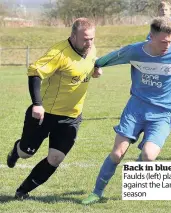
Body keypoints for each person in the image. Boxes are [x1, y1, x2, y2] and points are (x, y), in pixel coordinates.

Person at [82, 16, 171, 205]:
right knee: (117, 153)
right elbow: (108, 59)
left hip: (163, 114)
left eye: (170, 41)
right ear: (151, 37)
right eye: (163, 41)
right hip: (135, 109)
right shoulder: (135, 51)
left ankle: (132, 183)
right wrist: (96, 66)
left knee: (148, 156)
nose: (167, 45)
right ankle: (96, 193)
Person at [7, 17, 102, 199]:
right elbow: (35, 72)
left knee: (56, 158)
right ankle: (16, 150)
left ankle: (22, 191)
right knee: (26, 153)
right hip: (46, 113)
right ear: (73, 36)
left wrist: (95, 71)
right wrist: (37, 104)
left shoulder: (90, 49)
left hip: (71, 117)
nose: (89, 43)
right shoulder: (59, 52)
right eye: (85, 38)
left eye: (92, 38)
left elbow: (86, 66)